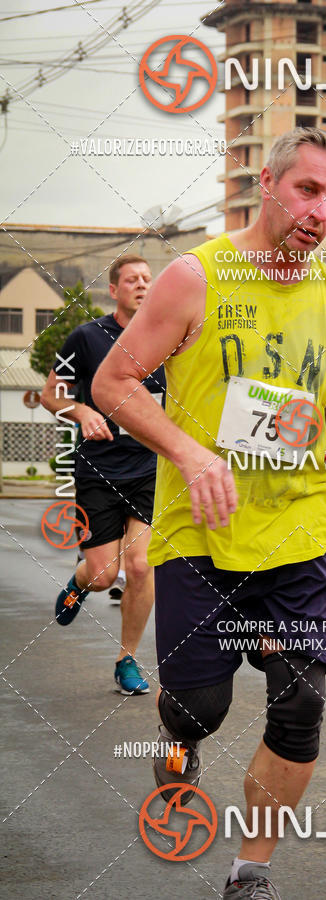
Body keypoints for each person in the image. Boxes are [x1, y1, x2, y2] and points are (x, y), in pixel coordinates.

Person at [93, 128, 326, 898]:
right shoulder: (194, 279)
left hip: (300, 531)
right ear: (266, 183)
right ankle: (180, 741)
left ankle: (249, 872)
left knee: (300, 704)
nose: (321, 210)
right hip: (201, 532)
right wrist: (192, 455)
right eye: (307, 190)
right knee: (199, 708)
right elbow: (115, 382)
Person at [41, 255, 165, 695]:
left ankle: (127, 660)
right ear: (113, 290)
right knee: (102, 576)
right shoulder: (87, 338)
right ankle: (80, 583)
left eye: (148, 278)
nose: (142, 285)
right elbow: (50, 393)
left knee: (141, 566)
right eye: (132, 279)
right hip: (99, 470)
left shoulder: (169, 338)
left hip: (150, 470)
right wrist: (80, 409)